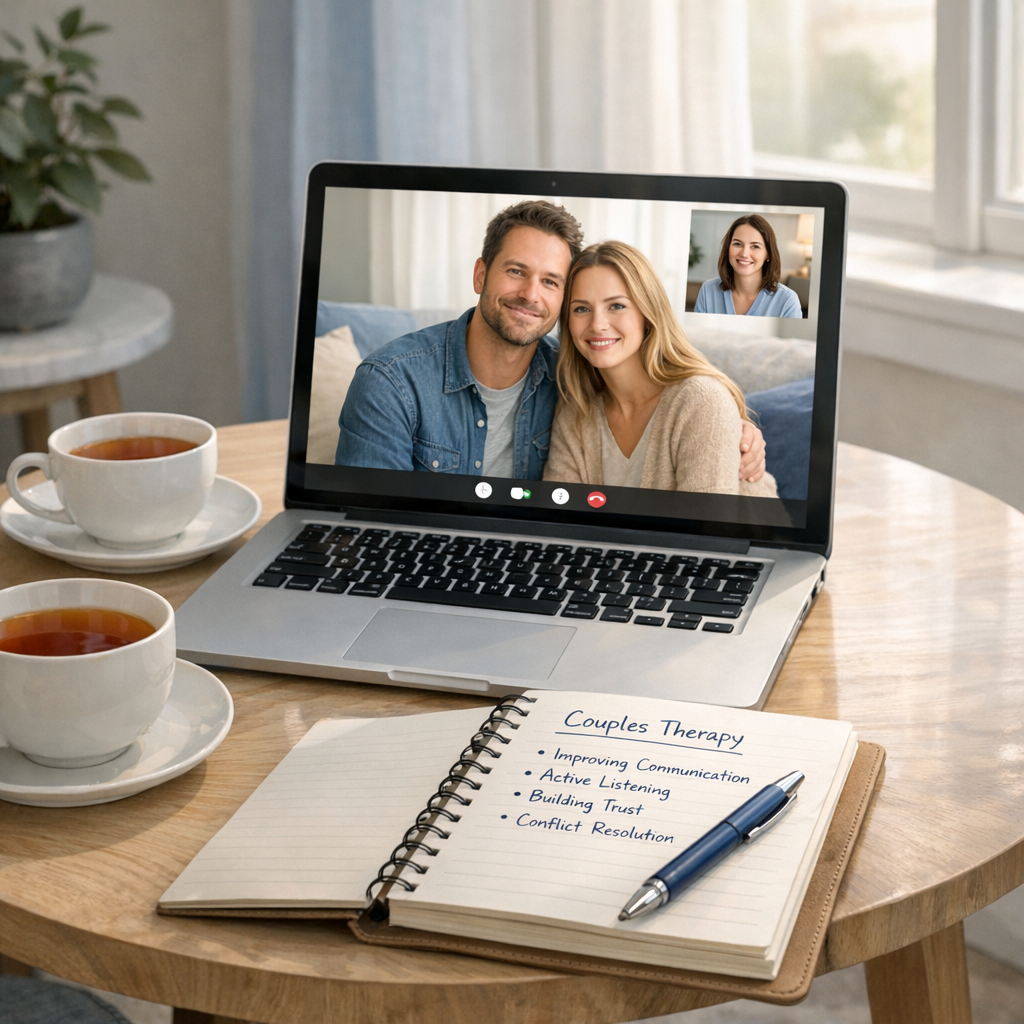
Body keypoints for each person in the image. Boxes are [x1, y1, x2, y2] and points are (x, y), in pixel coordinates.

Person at [336, 200, 767, 482]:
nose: (531, 294)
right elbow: (369, 526)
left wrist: (732, 429)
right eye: (516, 271)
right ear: (480, 275)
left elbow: (679, 400)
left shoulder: (568, 378)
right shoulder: (391, 383)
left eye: (550, 281)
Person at [544, 240, 778, 497]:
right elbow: (561, 518)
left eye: (617, 306)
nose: (597, 324)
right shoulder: (575, 415)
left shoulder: (702, 402)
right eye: (581, 309)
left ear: (647, 313)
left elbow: (704, 532)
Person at [693, 214, 803, 318]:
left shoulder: (788, 301)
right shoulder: (708, 290)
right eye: (737, 244)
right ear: (727, 249)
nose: (744, 254)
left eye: (755, 246)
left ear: (768, 254)